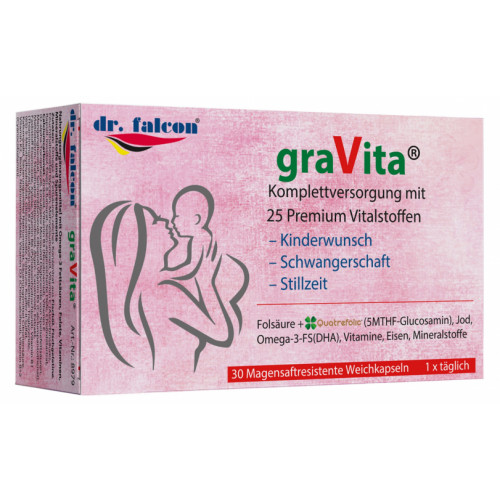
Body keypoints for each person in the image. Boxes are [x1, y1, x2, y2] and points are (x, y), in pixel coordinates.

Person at [90, 185, 249, 372]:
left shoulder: (151, 288)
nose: (166, 221)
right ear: (140, 239)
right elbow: (222, 333)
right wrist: (207, 282)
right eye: (155, 221)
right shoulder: (163, 292)